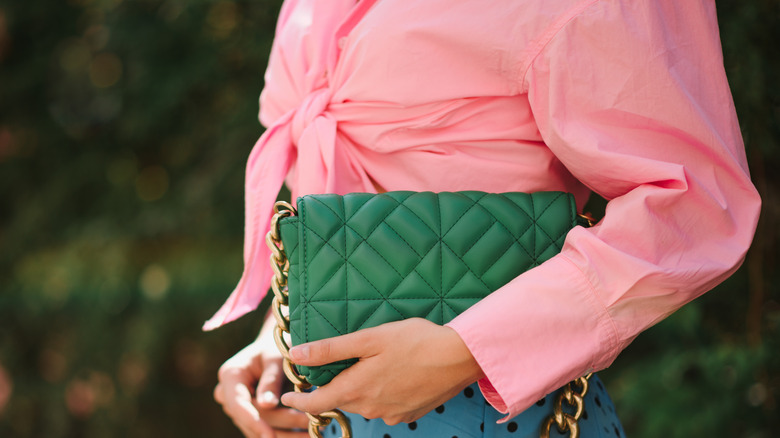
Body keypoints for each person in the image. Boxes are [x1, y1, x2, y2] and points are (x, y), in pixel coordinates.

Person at [208, 0, 761, 437]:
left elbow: (695, 206)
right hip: (332, 417)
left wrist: (467, 350)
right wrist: (286, 329)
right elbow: (346, 196)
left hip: (500, 416)